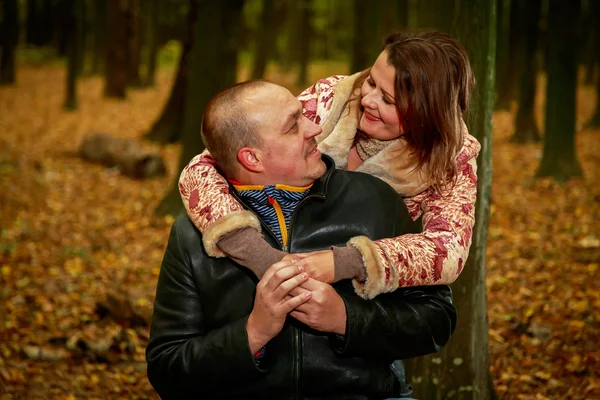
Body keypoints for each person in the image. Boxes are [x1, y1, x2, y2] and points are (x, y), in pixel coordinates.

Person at [146, 80, 457, 399]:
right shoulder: (193, 235)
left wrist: (345, 319)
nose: (314, 127)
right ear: (252, 159)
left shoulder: (374, 200)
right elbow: (167, 369)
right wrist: (253, 333)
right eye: (293, 126)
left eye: (303, 115)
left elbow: (437, 320)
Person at [177, 30, 480, 300]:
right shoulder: (332, 98)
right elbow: (203, 168)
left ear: (428, 113)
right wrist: (259, 256)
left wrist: (349, 262)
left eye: (388, 100)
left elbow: (447, 252)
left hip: (362, 311)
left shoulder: (450, 157)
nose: (368, 100)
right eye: (371, 81)